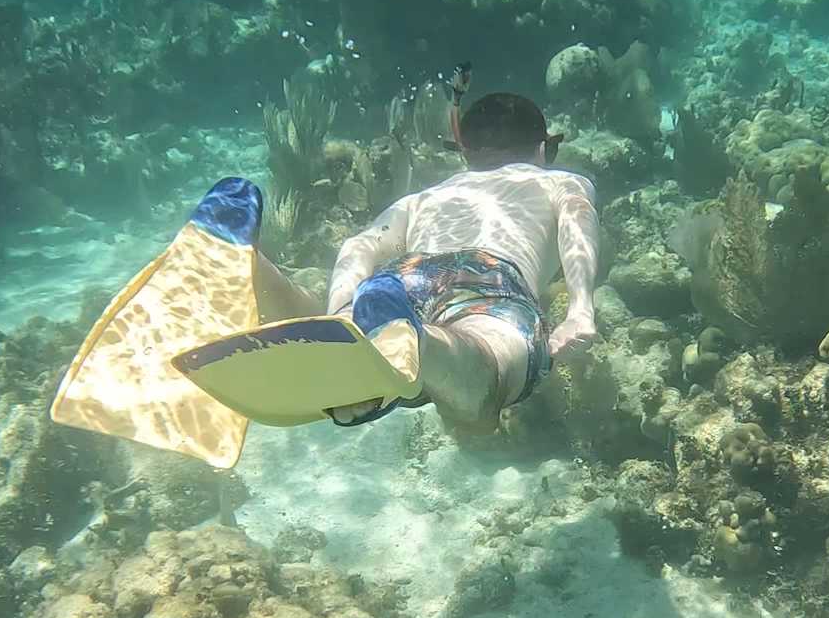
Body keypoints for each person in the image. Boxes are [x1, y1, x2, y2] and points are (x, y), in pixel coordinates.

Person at [254, 90, 600, 431]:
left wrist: (341, 313)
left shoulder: (424, 197)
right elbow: (577, 216)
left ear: (466, 153)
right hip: (490, 278)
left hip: (405, 275)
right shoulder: (558, 180)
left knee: (379, 342)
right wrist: (580, 309)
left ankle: (256, 267)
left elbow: (360, 245)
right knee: (483, 392)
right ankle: (418, 341)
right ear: (543, 148)